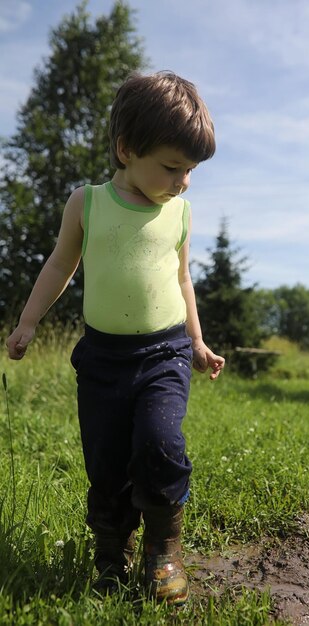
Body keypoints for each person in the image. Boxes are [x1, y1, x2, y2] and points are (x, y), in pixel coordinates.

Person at [6, 71, 225, 604]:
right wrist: (29, 321)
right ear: (127, 150)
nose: (183, 181)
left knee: (160, 442)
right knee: (105, 461)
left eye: (190, 170)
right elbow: (60, 264)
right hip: (104, 356)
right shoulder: (88, 203)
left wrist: (196, 342)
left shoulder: (180, 211)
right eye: (172, 167)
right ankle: (111, 554)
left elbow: (182, 278)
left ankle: (163, 550)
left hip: (165, 350)